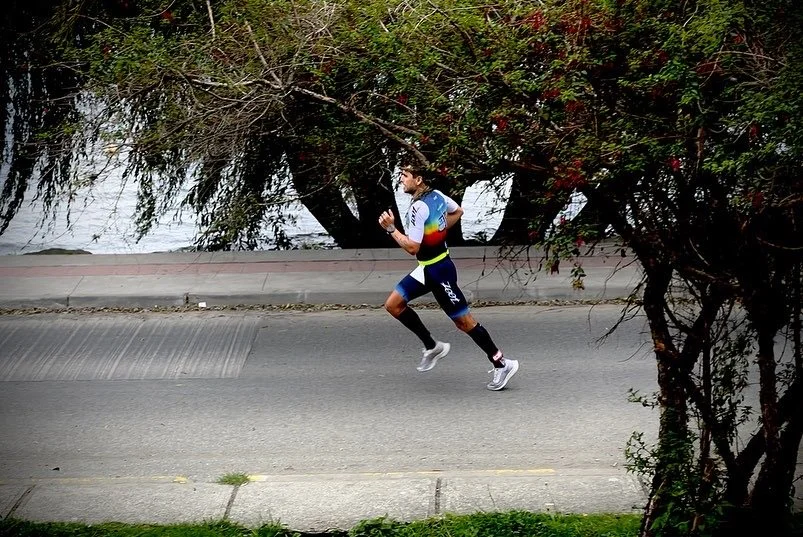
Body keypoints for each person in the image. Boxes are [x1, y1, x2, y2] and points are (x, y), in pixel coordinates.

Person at [378, 163, 519, 391]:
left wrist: (391, 229)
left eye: (405, 175)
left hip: (440, 272)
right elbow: (458, 212)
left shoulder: (418, 208)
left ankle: (502, 363)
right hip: (427, 268)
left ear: (419, 179)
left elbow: (413, 247)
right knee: (393, 305)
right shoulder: (438, 196)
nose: (401, 180)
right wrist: (437, 232)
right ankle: (432, 346)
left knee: (464, 323)